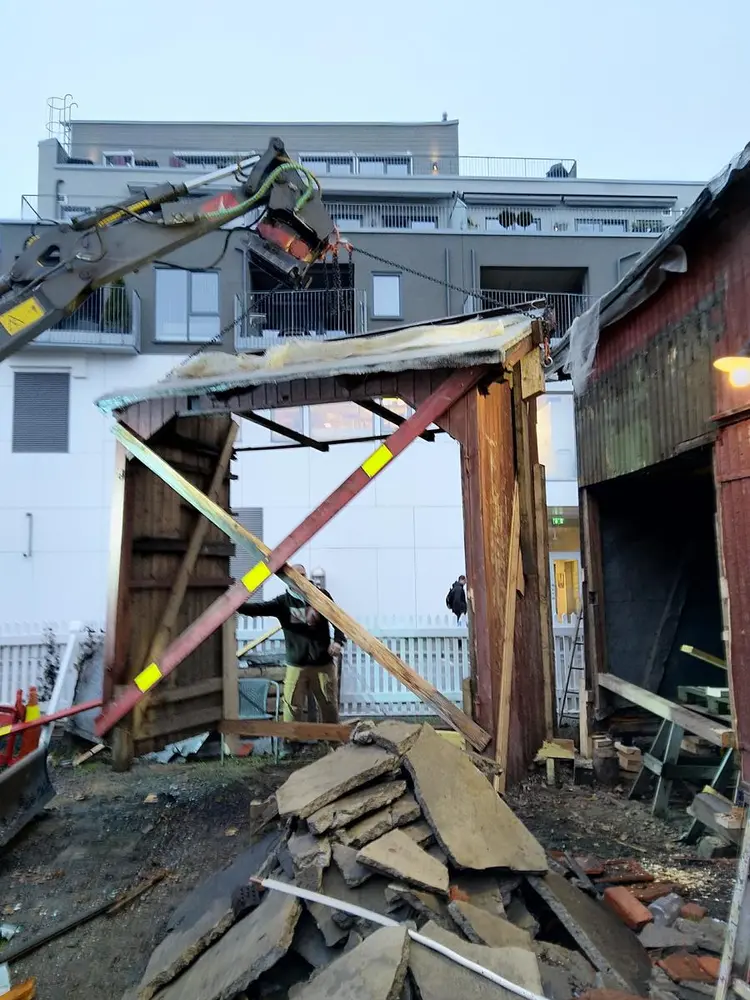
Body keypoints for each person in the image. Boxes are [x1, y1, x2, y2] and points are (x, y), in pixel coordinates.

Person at [239, 565, 345, 726]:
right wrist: (235, 598)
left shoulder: (320, 596)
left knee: (329, 706)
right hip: (296, 665)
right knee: (291, 707)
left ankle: (332, 740)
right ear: (287, 579)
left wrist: (338, 641)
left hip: (323, 664)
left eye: (303, 575)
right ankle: (292, 740)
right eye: (295, 576)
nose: (300, 579)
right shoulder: (283, 602)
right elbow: (255, 609)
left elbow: (339, 620)